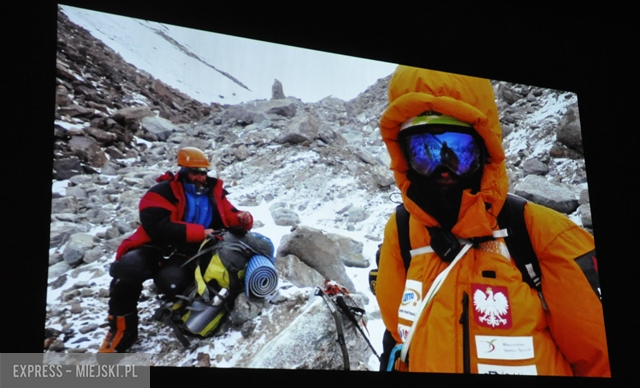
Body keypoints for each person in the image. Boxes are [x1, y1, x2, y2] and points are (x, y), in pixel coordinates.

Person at [375, 66, 610, 376]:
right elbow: (399, 337)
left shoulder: (543, 235)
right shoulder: (402, 233)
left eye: (459, 150)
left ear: (485, 149)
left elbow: (601, 363)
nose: (443, 169)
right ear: (403, 157)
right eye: (424, 152)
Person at [99, 146, 253, 353]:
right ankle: (122, 331)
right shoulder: (161, 192)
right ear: (182, 171)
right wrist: (199, 232)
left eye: (203, 172)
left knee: (171, 282)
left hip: (191, 251)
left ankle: (181, 311)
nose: (200, 177)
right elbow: (157, 226)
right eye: (194, 172)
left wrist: (243, 219)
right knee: (127, 270)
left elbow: (231, 214)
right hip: (156, 245)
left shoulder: (213, 194)